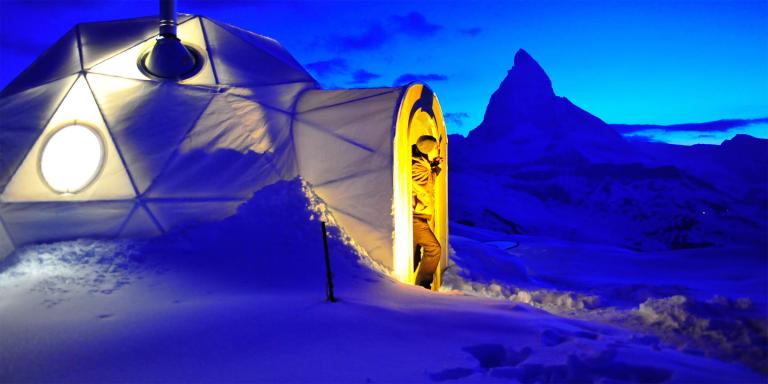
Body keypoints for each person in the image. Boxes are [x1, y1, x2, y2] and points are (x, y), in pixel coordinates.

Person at [412, 135, 442, 290]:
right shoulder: (417, 167)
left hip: (418, 216)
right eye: (435, 148)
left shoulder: (419, 163)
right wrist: (434, 170)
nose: (437, 151)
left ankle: (406, 286)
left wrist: (432, 165)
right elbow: (425, 188)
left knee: (414, 257)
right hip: (416, 217)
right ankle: (423, 286)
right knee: (434, 249)